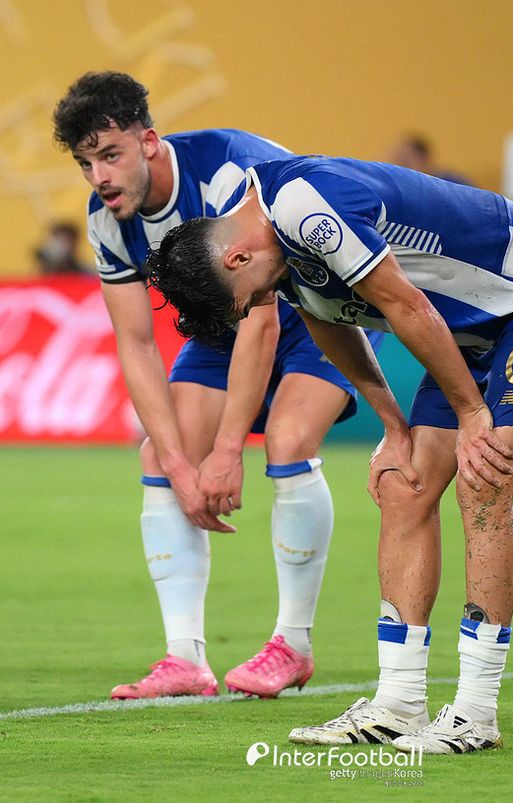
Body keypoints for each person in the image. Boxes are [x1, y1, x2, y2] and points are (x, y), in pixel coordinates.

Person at [147, 154, 513, 754]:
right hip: (472, 327)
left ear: (236, 258)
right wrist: (394, 425)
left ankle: (475, 713)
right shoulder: (269, 248)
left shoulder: (303, 209)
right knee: (404, 482)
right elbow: (328, 323)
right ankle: (399, 703)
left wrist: (473, 414)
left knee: (485, 480)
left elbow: (406, 306)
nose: (260, 300)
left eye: (250, 296)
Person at [52, 72, 383, 700]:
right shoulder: (107, 221)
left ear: (149, 141)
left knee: (287, 439)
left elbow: (263, 318)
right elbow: (135, 343)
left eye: (111, 155)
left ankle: (293, 644)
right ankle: (184, 660)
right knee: (160, 456)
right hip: (224, 322)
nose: (99, 177)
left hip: (321, 307)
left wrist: (228, 450)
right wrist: (181, 464)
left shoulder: (227, 175)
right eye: (86, 163)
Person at [387, 133, 474, 186]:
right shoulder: (402, 187)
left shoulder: (453, 183)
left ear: (423, 159)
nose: (400, 166)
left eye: (404, 161)